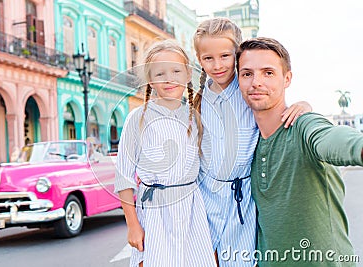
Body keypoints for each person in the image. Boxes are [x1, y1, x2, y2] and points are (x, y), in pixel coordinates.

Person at [192, 17, 312, 266]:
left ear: (237, 55)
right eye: (208, 58)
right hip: (205, 197)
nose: (217, 65)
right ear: (199, 59)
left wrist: (304, 105)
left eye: (225, 56)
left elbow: (276, 109)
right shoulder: (197, 99)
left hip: (242, 198)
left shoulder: (249, 89)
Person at [236, 36, 363, 266]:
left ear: (287, 79)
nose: (256, 82)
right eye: (247, 74)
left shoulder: (304, 125)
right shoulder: (246, 144)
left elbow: (332, 139)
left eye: (268, 73)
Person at [114, 40, 216, 267]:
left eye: (176, 71)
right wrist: (133, 225)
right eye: (160, 73)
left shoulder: (195, 118)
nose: (169, 79)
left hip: (192, 211)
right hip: (154, 212)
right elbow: (123, 177)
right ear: (150, 79)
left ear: (188, 73)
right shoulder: (138, 119)